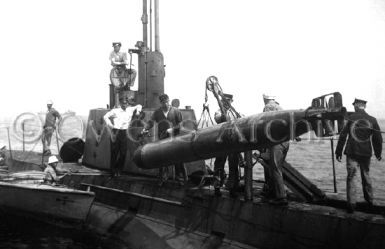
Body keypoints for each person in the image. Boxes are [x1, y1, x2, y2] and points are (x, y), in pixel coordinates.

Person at [335, 98, 382, 213]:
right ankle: (369, 202)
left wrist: (338, 151)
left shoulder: (351, 118)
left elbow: (343, 135)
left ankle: (351, 204)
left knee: (351, 177)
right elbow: (378, 139)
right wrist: (378, 153)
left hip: (352, 152)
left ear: (356, 106)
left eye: (354, 105)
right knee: (366, 176)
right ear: (364, 107)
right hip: (366, 153)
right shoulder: (373, 120)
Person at [143, 94, 188, 186]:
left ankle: (179, 178)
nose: (166, 104)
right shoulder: (157, 112)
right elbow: (151, 122)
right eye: (164, 103)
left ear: (169, 101)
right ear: (161, 103)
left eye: (167, 102)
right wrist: (145, 129)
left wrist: (172, 129)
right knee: (162, 158)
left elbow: (181, 125)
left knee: (177, 158)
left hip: (175, 139)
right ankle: (163, 178)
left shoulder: (176, 111)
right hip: (163, 139)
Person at [260, 94, 289, 206]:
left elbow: (265, 125)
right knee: (278, 168)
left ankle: (281, 197)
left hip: (276, 143)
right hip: (285, 142)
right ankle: (273, 191)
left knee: (275, 170)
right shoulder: (280, 107)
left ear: (265, 99)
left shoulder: (268, 107)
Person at [104, 97, 142, 177]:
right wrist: (110, 125)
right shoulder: (115, 111)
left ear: (127, 104)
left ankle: (119, 170)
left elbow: (139, 105)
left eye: (126, 103)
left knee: (123, 153)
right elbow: (105, 117)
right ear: (120, 104)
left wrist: (138, 111)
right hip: (116, 132)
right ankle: (112, 171)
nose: (125, 105)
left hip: (124, 132)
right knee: (114, 152)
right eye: (123, 103)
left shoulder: (130, 109)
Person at [213, 93, 241, 197]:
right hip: (222, 142)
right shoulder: (218, 112)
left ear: (231, 102)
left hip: (233, 142)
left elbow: (241, 120)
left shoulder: (235, 113)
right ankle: (217, 187)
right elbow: (219, 118)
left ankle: (233, 188)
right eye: (224, 101)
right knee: (219, 165)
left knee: (233, 166)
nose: (226, 103)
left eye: (228, 101)